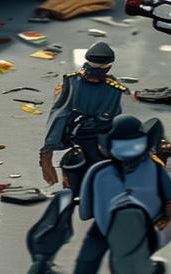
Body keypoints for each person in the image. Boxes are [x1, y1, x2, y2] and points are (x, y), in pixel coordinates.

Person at [45, 115, 171, 274]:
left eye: (134, 145)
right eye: (123, 146)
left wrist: (165, 226)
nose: (129, 152)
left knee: (148, 273)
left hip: (143, 231)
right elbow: (87, 208)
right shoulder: (99, 172)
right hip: (103, 227)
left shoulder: (155, 170)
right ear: (110, 146)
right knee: (86, 262)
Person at [39, 41, 130, 190]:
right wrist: (46, 155)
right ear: (109, 66)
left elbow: (58, 115)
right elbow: (60, 116)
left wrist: (46, 154)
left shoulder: (72, 83)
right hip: (89, 140)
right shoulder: (115, 90)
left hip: (97, 142)